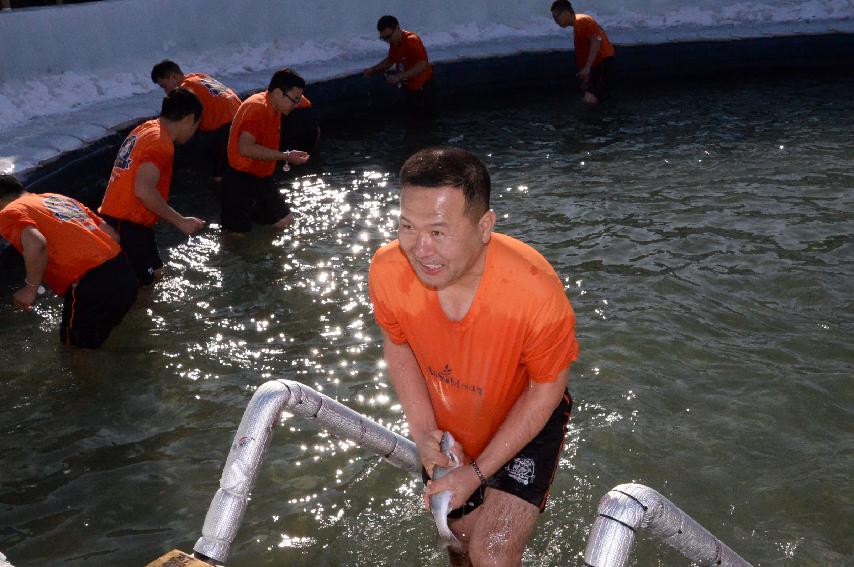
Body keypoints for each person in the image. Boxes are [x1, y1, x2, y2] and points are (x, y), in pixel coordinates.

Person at [368, 147, 578, 565]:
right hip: (452, 421)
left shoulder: (534, 291)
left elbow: (546, 390)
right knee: (459, 540)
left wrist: (477, 473)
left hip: (525, 417)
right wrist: (424, 433)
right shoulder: (388, 269)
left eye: (439, 232)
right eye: (407, 226)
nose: (420, 249)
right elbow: (398, 343)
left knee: (493, 552)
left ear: (485, 226)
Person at [0, 174, 137, 348]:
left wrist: (30, 288)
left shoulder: (9, 212)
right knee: (99, 339)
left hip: (91, 283)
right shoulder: (58, 199)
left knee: (75, 352)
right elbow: (113, 236)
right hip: (124, 273)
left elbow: (36, 244)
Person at [98, 87, 206, 286]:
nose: (194, 132)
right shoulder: (160, 143)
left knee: (157, 275)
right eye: (197, 125)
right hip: (126, 224)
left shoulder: (145, 128)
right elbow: (144, 191)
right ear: (189, 119)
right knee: (141, 289)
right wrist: (180, 221)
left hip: (130, 221)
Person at [221, 68, 310, 233]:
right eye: (295, 100)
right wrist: (286, 156)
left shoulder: (275, 106)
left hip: (261, 177)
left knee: (285, 222)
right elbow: (245, 148)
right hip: (240, 179)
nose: (297, 105)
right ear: (277, 93)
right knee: (236, 235)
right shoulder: (257, 108)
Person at [151, 59, 242, 180]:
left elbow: (175, 120)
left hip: (228, 127)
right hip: (241, 115)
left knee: (219, 172)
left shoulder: (185, 89)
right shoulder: (199, 76)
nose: (166, 91)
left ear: (173, 76)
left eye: (165, 86)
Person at [363, 15, 435, 118]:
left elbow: (422, 64)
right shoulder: (395, 42)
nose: (387, 41)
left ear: (397, 28)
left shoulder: (412, 41)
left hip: (424, 89)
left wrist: (399, 77)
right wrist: (372, 70)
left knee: (424, 124)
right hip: (410, 89)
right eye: (383, 38)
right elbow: (391, 59)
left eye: (388, 37)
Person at [551, 0, 615, 104]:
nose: (555, 21)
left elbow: (597, 39)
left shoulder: (583, 20)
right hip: (597, 66)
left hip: (603, 63)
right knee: (592, 99)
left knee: (590, 99)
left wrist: (588, 68)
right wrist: (587, 75)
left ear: (566, 13)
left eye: (556, 16)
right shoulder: (578, 25)